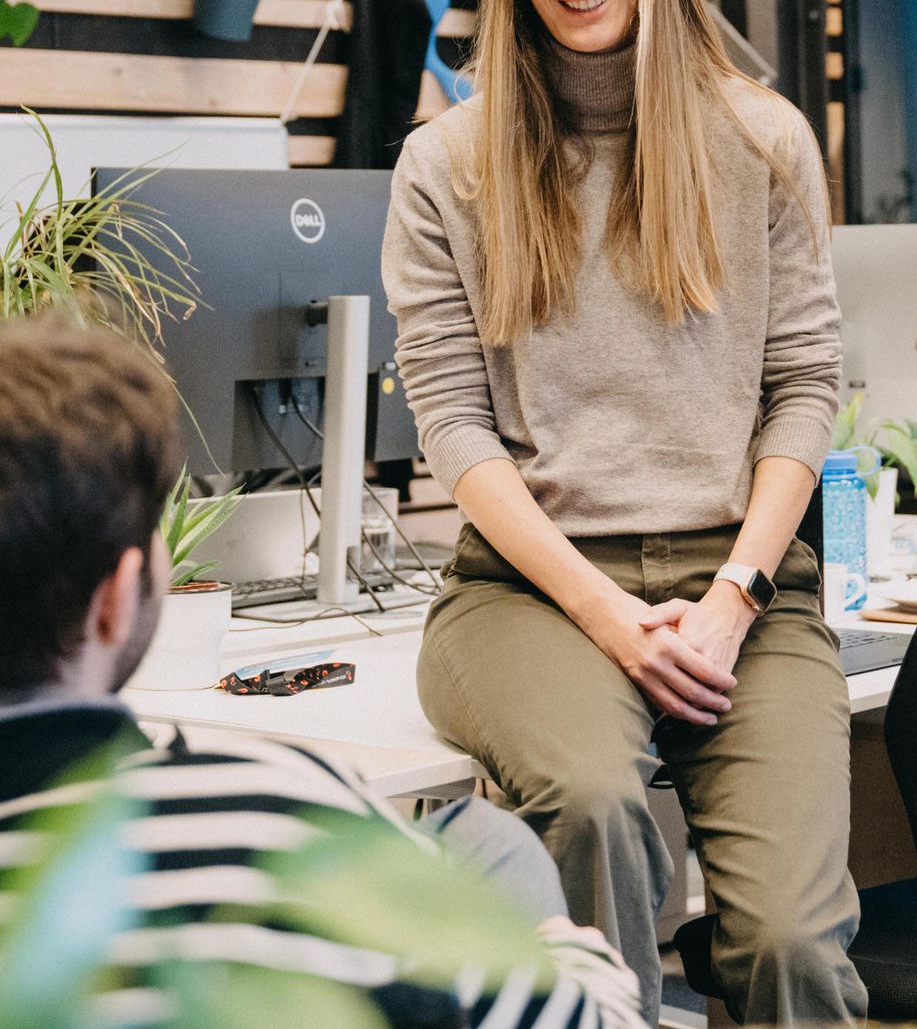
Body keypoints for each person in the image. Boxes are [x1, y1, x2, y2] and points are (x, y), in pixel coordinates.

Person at [382, 0, 869, 1027]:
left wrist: (734, 597)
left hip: (741, 588)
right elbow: (453, 424)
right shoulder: (447, 163)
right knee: (593, 809)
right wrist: (607, 616)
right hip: (527, 593)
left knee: (791, 945)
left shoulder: (759, 138)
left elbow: (802, 384)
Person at [0, 313, 645, 1029]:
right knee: (492, 848)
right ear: (116, 601)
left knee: (477, 838)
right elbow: (598, 1019)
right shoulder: (278, 811)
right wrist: (564, 954)